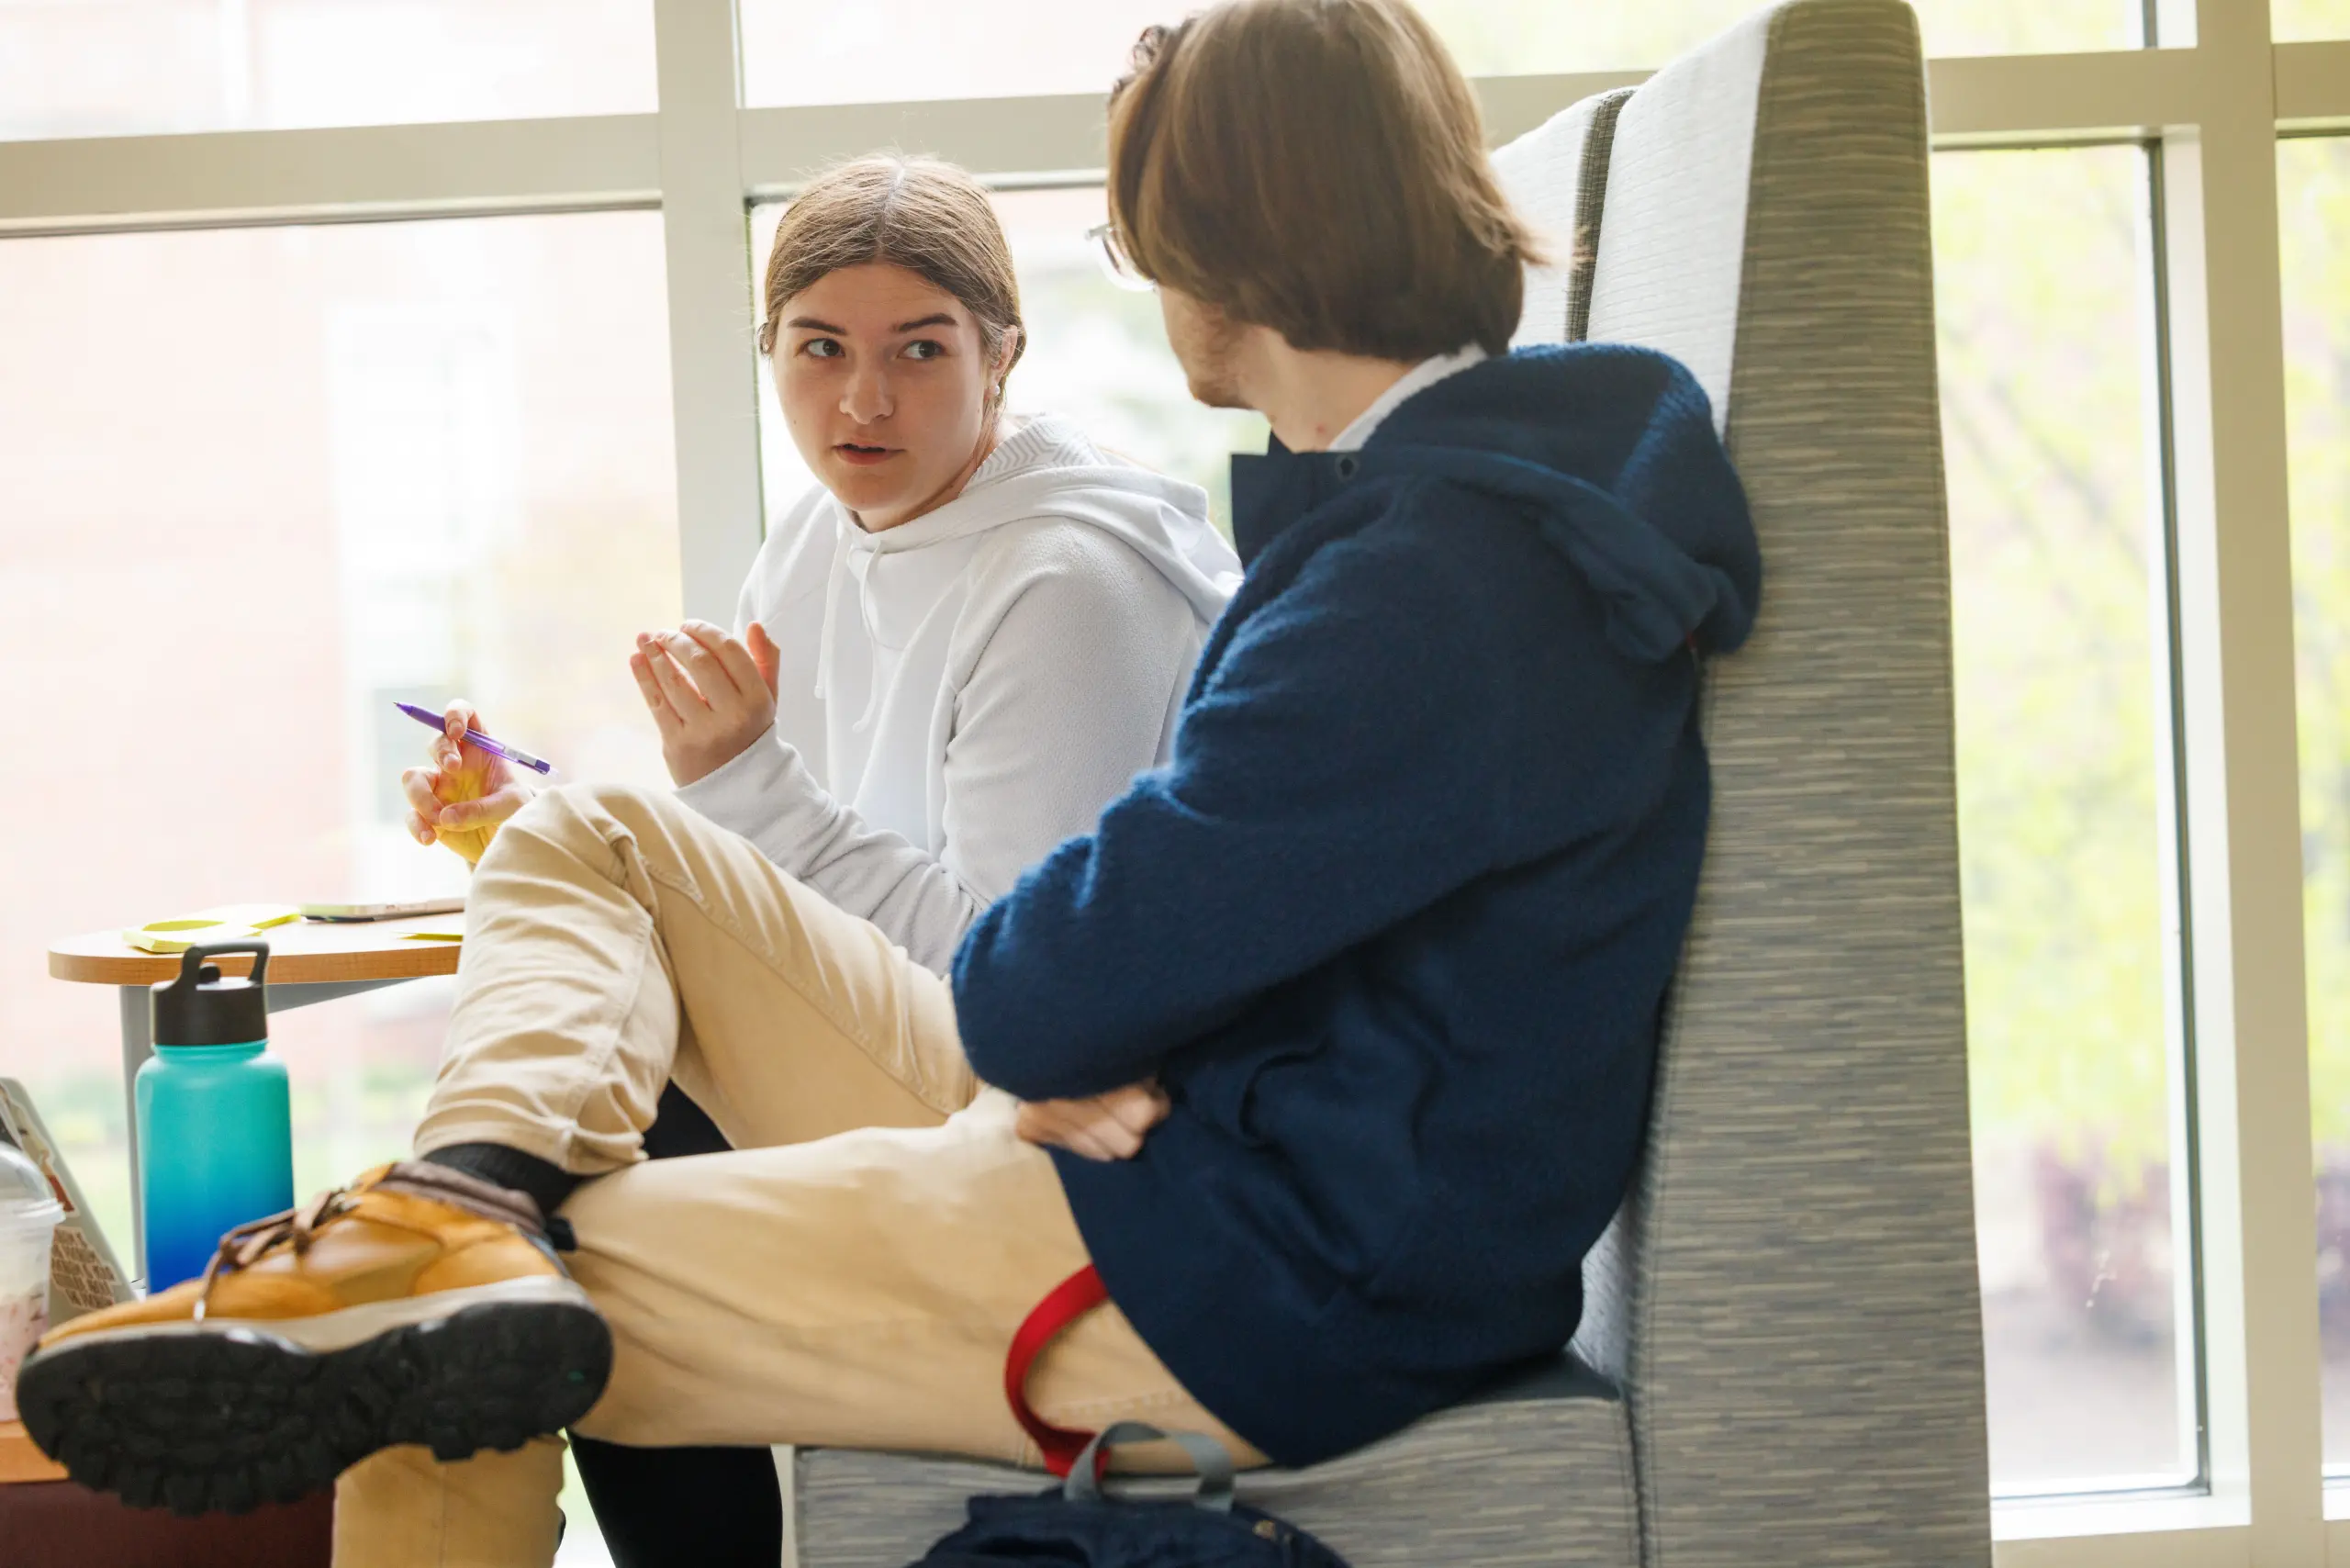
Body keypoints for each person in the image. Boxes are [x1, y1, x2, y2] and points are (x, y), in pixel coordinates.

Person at [17, 4, 1762, 1565]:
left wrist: (1085, 1026)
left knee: (430, 1348)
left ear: (1220, 252)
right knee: (598, 828)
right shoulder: (1451, 522)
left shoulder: (1431, 585)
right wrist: (1092, 1024)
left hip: (1239, 1280)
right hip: (1190, 1159)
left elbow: (1038, 979)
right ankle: (458, 1195)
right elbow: (1127, 967)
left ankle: (434, 1245)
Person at [397, 151, 1241, 1561]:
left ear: (1003, 356)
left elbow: (1017, 973)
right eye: (821, 350)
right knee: (542, 1247)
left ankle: (447, 1207)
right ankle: (455, 1225)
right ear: (772, 355)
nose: (864, 400)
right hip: (902, 1058)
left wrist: (737, 788)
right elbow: (789, 890)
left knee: (555, 1194)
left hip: (1056, 1109)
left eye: (921, 351)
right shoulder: (812, 545)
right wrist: (536, 819)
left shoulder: (1069, 582)